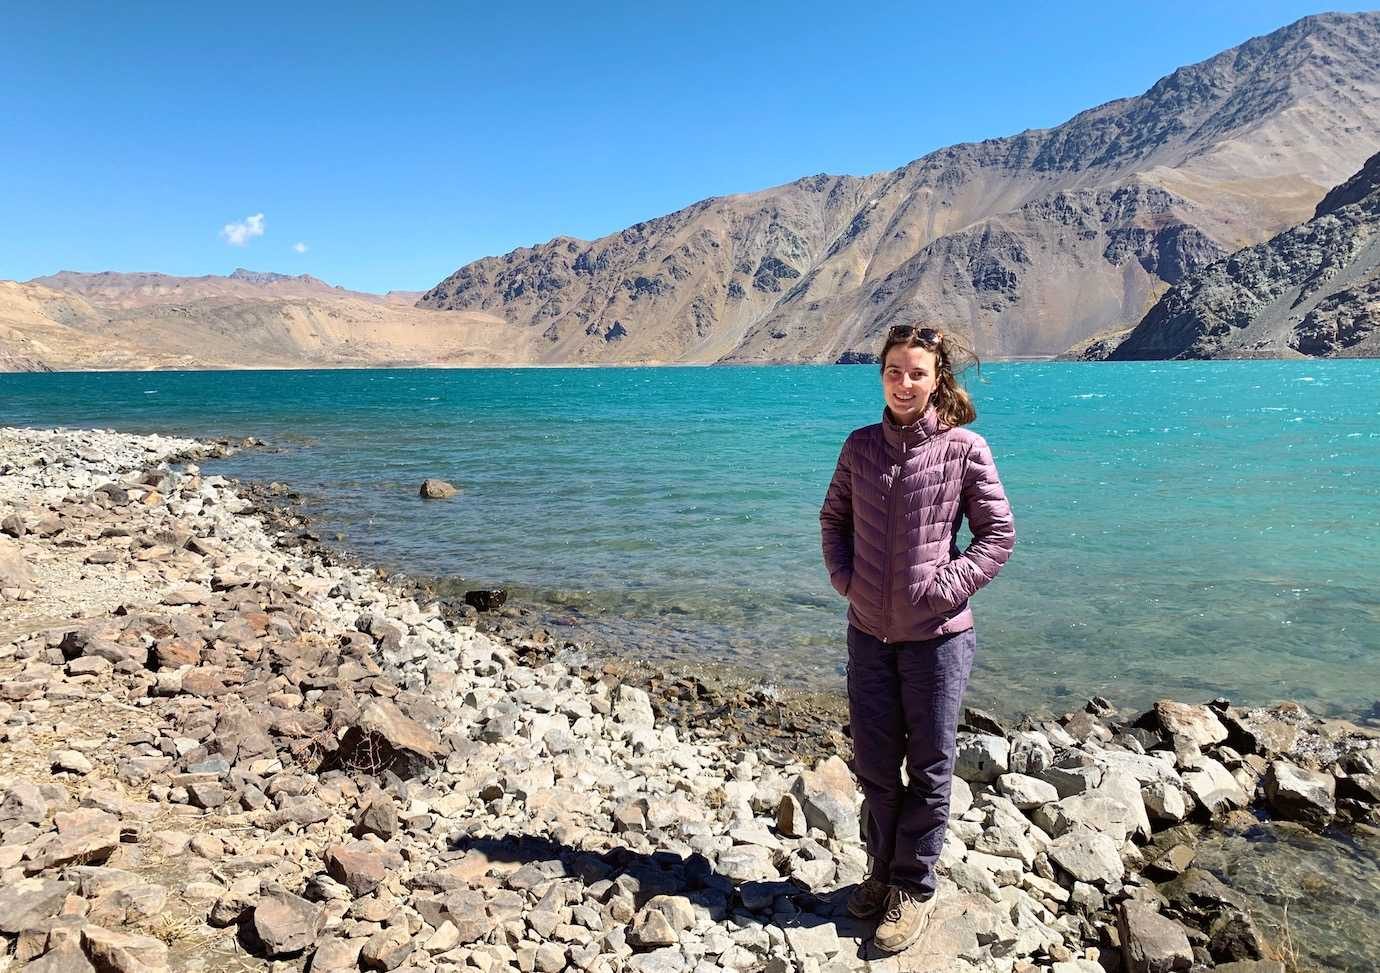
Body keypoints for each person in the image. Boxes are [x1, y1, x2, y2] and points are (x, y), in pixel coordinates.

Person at [819, 324, 1015, 954]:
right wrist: (847, 579)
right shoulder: (859, 446)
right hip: (869, 634)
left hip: (937, 638)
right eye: (893, 372)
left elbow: (997, 535)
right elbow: (834, 519)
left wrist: (945, 587)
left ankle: (914, 887)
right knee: (875, 764)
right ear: (881, 375)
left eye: (917, 374)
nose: (904, 384)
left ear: (938, 380)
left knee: (930, 768)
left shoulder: (964, 449)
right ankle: (881, 872)